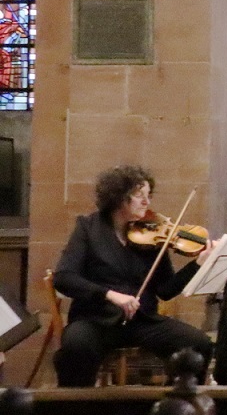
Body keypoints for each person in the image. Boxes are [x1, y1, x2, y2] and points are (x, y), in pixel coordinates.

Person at [53, 165, 215, 386]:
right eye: (140, 196)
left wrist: (197, 264)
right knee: (75, 347)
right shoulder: (89, 228)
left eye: (149, 195)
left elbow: (165, 290)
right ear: (119, 196)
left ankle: (175, 404)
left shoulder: (152, 233)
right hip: (95, 320)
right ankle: (80, 411)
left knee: (198, 344)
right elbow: (63, 278)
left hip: (141, 322)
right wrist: (110, 295)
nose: (147, 202)